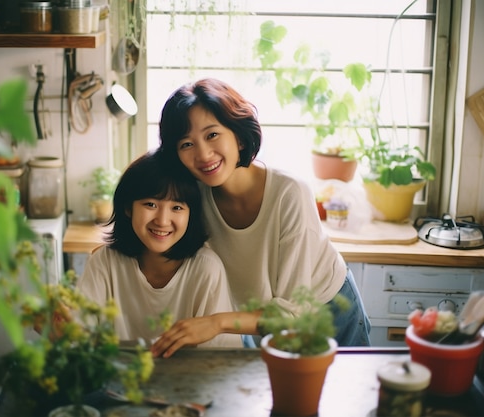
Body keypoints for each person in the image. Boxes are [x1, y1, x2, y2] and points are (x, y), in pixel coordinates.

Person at [152, 78, 371, 358]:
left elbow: (293, 311)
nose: (203, 154)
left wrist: (216, 323)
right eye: (186, 144)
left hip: (327, 312)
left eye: (212, 135)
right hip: (261, 316)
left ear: (239, 137)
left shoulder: (289, 192)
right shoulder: (193, 197)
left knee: (347, 398)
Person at [77, 149, 242, 348]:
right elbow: (80, 337)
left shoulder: (207, 269)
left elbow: (219, 358)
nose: (162, 221)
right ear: (128, 208)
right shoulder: (104, 262)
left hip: (189, 377)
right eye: (150, 204)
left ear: (191, 215)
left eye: (177, 207)